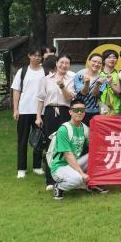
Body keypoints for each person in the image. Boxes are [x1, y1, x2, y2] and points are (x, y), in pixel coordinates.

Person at [50, 100, 108, 200]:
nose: (79, 112)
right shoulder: (64, 129)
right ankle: (59, 187)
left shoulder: (85, 129)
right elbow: (67, 154)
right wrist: (81, 173)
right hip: (60, 167)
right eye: (76, 110)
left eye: (82, 110)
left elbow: (94, 146)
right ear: (70, 112)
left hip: (74, 163)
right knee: (77, 179)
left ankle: (91, 184)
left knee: (98, 155)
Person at [36, 54, 75, 190]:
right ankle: (50, 180)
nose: (64, 65)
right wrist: (38, 116)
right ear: (57, 63)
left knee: (65, 144)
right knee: (50, 145)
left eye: (67, 63)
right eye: (61, 62)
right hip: (49, 113)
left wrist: (62, 86)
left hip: (65, 112)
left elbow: (69, 98)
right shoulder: (46, 79)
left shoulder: (71, 79)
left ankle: (65, 176)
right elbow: (41, 99)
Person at [11, 47, 46, 179]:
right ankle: (21, 168)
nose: (37, 58)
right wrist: (16, 109)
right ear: (29, 56)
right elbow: (16, 91)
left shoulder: (45, 71)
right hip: (24, 110)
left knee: (39, 139)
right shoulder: (22, 71)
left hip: (40, 112)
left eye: (39, 56)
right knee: (22, 140)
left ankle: (37, 166)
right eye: (34, 55)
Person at [74, 53, 106, 126]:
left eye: (99, 63)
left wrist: (97, 84)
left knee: (92, 132)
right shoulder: (79, 75)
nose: (96, 64)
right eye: (94, 61)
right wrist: (87, 83)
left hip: (94, 112)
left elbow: (94, 94)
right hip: (78, 110)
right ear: (88, 62)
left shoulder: (102, 79)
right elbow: (83, 93)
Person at [99, 49, 121, 115]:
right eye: (109, 57)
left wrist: (111, 83)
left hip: (116, 109)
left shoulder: (119, 74)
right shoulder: (98, 74)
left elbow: (119, 93)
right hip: (101, 109)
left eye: (114, 58)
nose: (112, 59)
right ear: (103, 60)